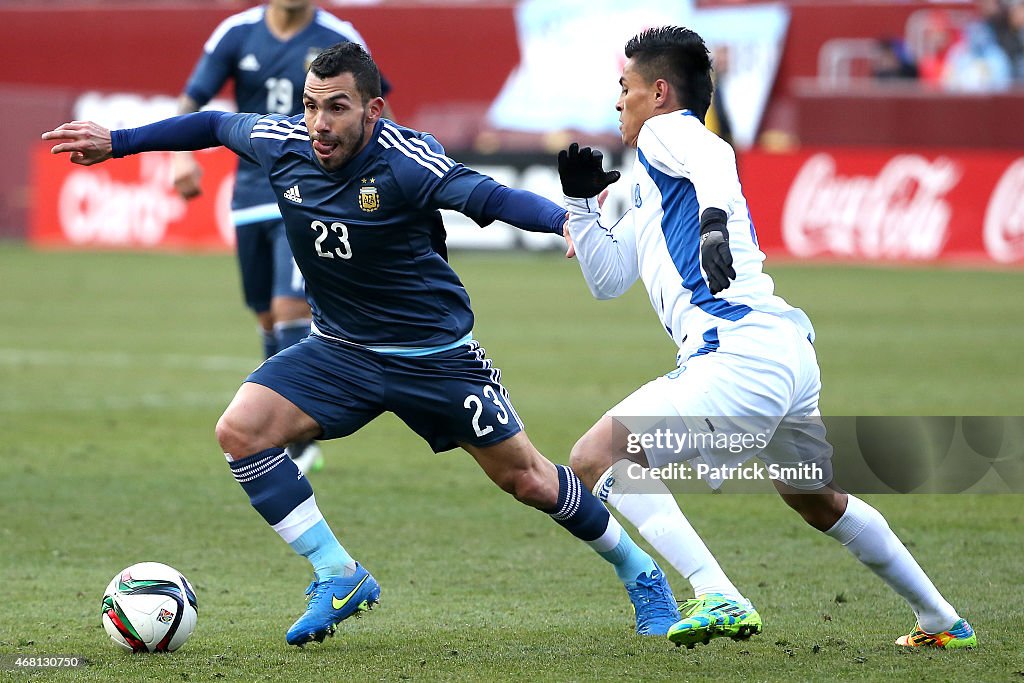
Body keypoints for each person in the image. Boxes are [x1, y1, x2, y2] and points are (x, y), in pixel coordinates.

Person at [43, 42, 681, 647]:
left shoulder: (406, 162)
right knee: (242, 430)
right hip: (339, 351)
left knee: (531, 481)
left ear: (373, 109)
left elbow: (487, 194)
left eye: (337, 107)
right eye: (311, 104)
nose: (318, 122)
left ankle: (640, 574)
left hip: (435, 360)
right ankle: (338, 575)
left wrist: (563, 221)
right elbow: (212, 123)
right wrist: (118, 143)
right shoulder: (283, 143)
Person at [556, 26, 977, 650]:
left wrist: (715, 222)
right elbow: (609, 280)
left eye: (626, 88)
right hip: (783, 352)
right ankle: (943, 621)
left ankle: (716, 592)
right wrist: (584, 207)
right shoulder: (651, 177)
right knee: (815, 497)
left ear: (660, 92)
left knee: (597, 458)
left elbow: (717, 156)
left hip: (739, 354)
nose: (617, 102)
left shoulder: (670, 134)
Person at [174, 0, 392, 474]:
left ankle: (302, 431)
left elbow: (377, 107)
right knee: (267, 313)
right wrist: (180, 156)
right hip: (252, 191)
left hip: (314, 194)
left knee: (292, 305)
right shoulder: (236, 32)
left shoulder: (338, 33)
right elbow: (195, 97)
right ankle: (278, 416)